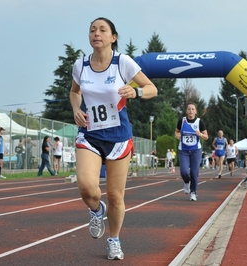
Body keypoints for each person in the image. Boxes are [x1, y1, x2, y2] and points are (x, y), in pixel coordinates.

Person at [69, 17, 157, 260]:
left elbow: (152, 88)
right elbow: (74, 92)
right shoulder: (81, 65)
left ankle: (114, 239)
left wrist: (136, 91)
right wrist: (76, 109)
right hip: (90, 134)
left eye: (102, 30)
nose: (96, 33)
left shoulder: (123, 63)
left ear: (113, 37)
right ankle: (97, 210)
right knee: (86, 186)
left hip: (118, 137)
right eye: (92, 30)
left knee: (116, 196)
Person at [175, 102, 208, 201]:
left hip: (195, 150)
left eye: (193, 109)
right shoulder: (182, 121)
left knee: (194, 173)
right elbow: (176, 131)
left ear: (196, 111)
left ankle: (193, 192)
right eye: (189, 109)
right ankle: (186, 182)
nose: (191, 111)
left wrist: (200, 135)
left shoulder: (199, 122)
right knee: (184, 171)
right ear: (186, 111)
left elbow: (206, 136)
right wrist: (177, 136)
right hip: (183, 150)